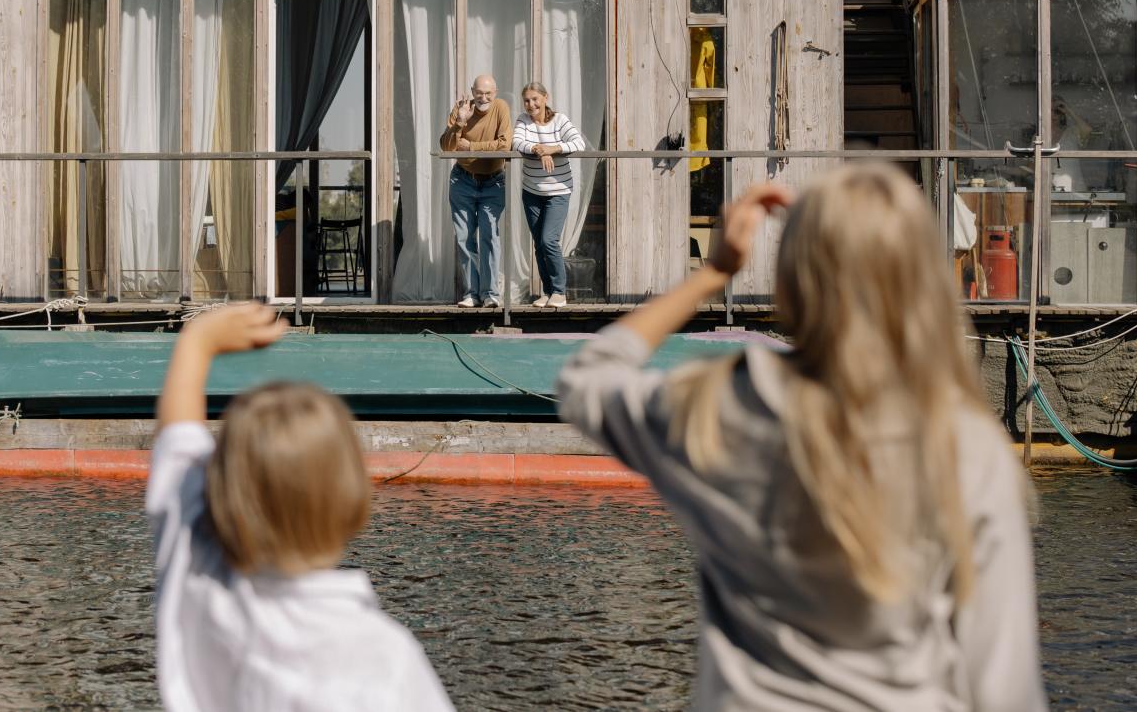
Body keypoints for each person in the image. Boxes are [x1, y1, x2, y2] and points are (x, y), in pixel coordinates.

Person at [555, 165, 1046, 712]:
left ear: (788, 282)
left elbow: (585, 378)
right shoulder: (965, 447)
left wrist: (715, 271)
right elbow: (1003, 687)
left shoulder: (714, 409)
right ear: (922, 282)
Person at [147, 303, 454, 711]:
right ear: (354, 502)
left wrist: (196, 343)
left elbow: (179, 447)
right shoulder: (384, 659)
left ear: (220, 495)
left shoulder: (201, 583)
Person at [440, 74, 511, 308]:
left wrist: (470, 146)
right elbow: (448, 147)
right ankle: (472, 293)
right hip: (463, 180)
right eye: (479, 93)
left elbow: (504, 144)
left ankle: (490, 294)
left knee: (490, 235)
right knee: (464, 238)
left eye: (488, 93)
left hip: (493, 181)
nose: (483, 97)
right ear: (472, 91)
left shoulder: (501, 108)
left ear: (496, 92)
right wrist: (459, 124)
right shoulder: (461, 110)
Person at [513, 81, 586, 308]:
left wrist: (551, 149)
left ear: (545, 98)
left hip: (558, 191)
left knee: (549, 240)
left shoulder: (560, 120)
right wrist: (538, 149)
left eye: (535, 99)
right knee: (539, 244)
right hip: (532, 191)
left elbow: (579, 143)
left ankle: (559, 292)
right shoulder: (523, 121)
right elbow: (517, 142)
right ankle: (547, 292)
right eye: (527, 100)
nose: (531, 104)